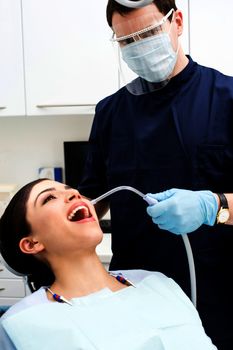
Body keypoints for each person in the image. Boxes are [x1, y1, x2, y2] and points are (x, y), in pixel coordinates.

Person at [78, 1, 233, 349]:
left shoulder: (227, 99)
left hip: (218, 300)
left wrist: (215, 205)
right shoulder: (109, 113)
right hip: (134, 302)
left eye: (148, 34)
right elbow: (92, 200)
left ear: (177, 21)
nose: (140, 47)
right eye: (128, 41)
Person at [0, 179, 217, 350]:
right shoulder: (22, 323)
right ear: (31, 243)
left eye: (70, 189)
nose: (73, 193)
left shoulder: (158, 283)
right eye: (49, 198)